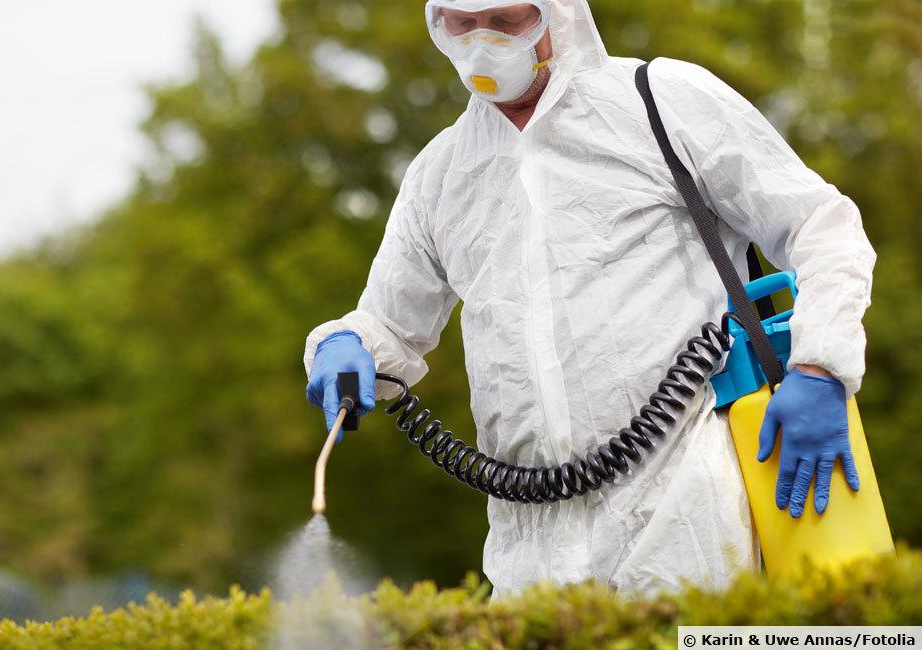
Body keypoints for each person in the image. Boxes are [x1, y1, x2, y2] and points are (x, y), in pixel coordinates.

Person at [304, 0, 875, 596]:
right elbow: (391, 328)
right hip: (530, 554)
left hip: (688, 519)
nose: (481, 43)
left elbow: (820, 225)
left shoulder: (658, 102)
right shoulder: (440, 174)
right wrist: (347, 343)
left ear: (557, 14)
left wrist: (820, 367)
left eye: (506, 21)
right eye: (461, 23)